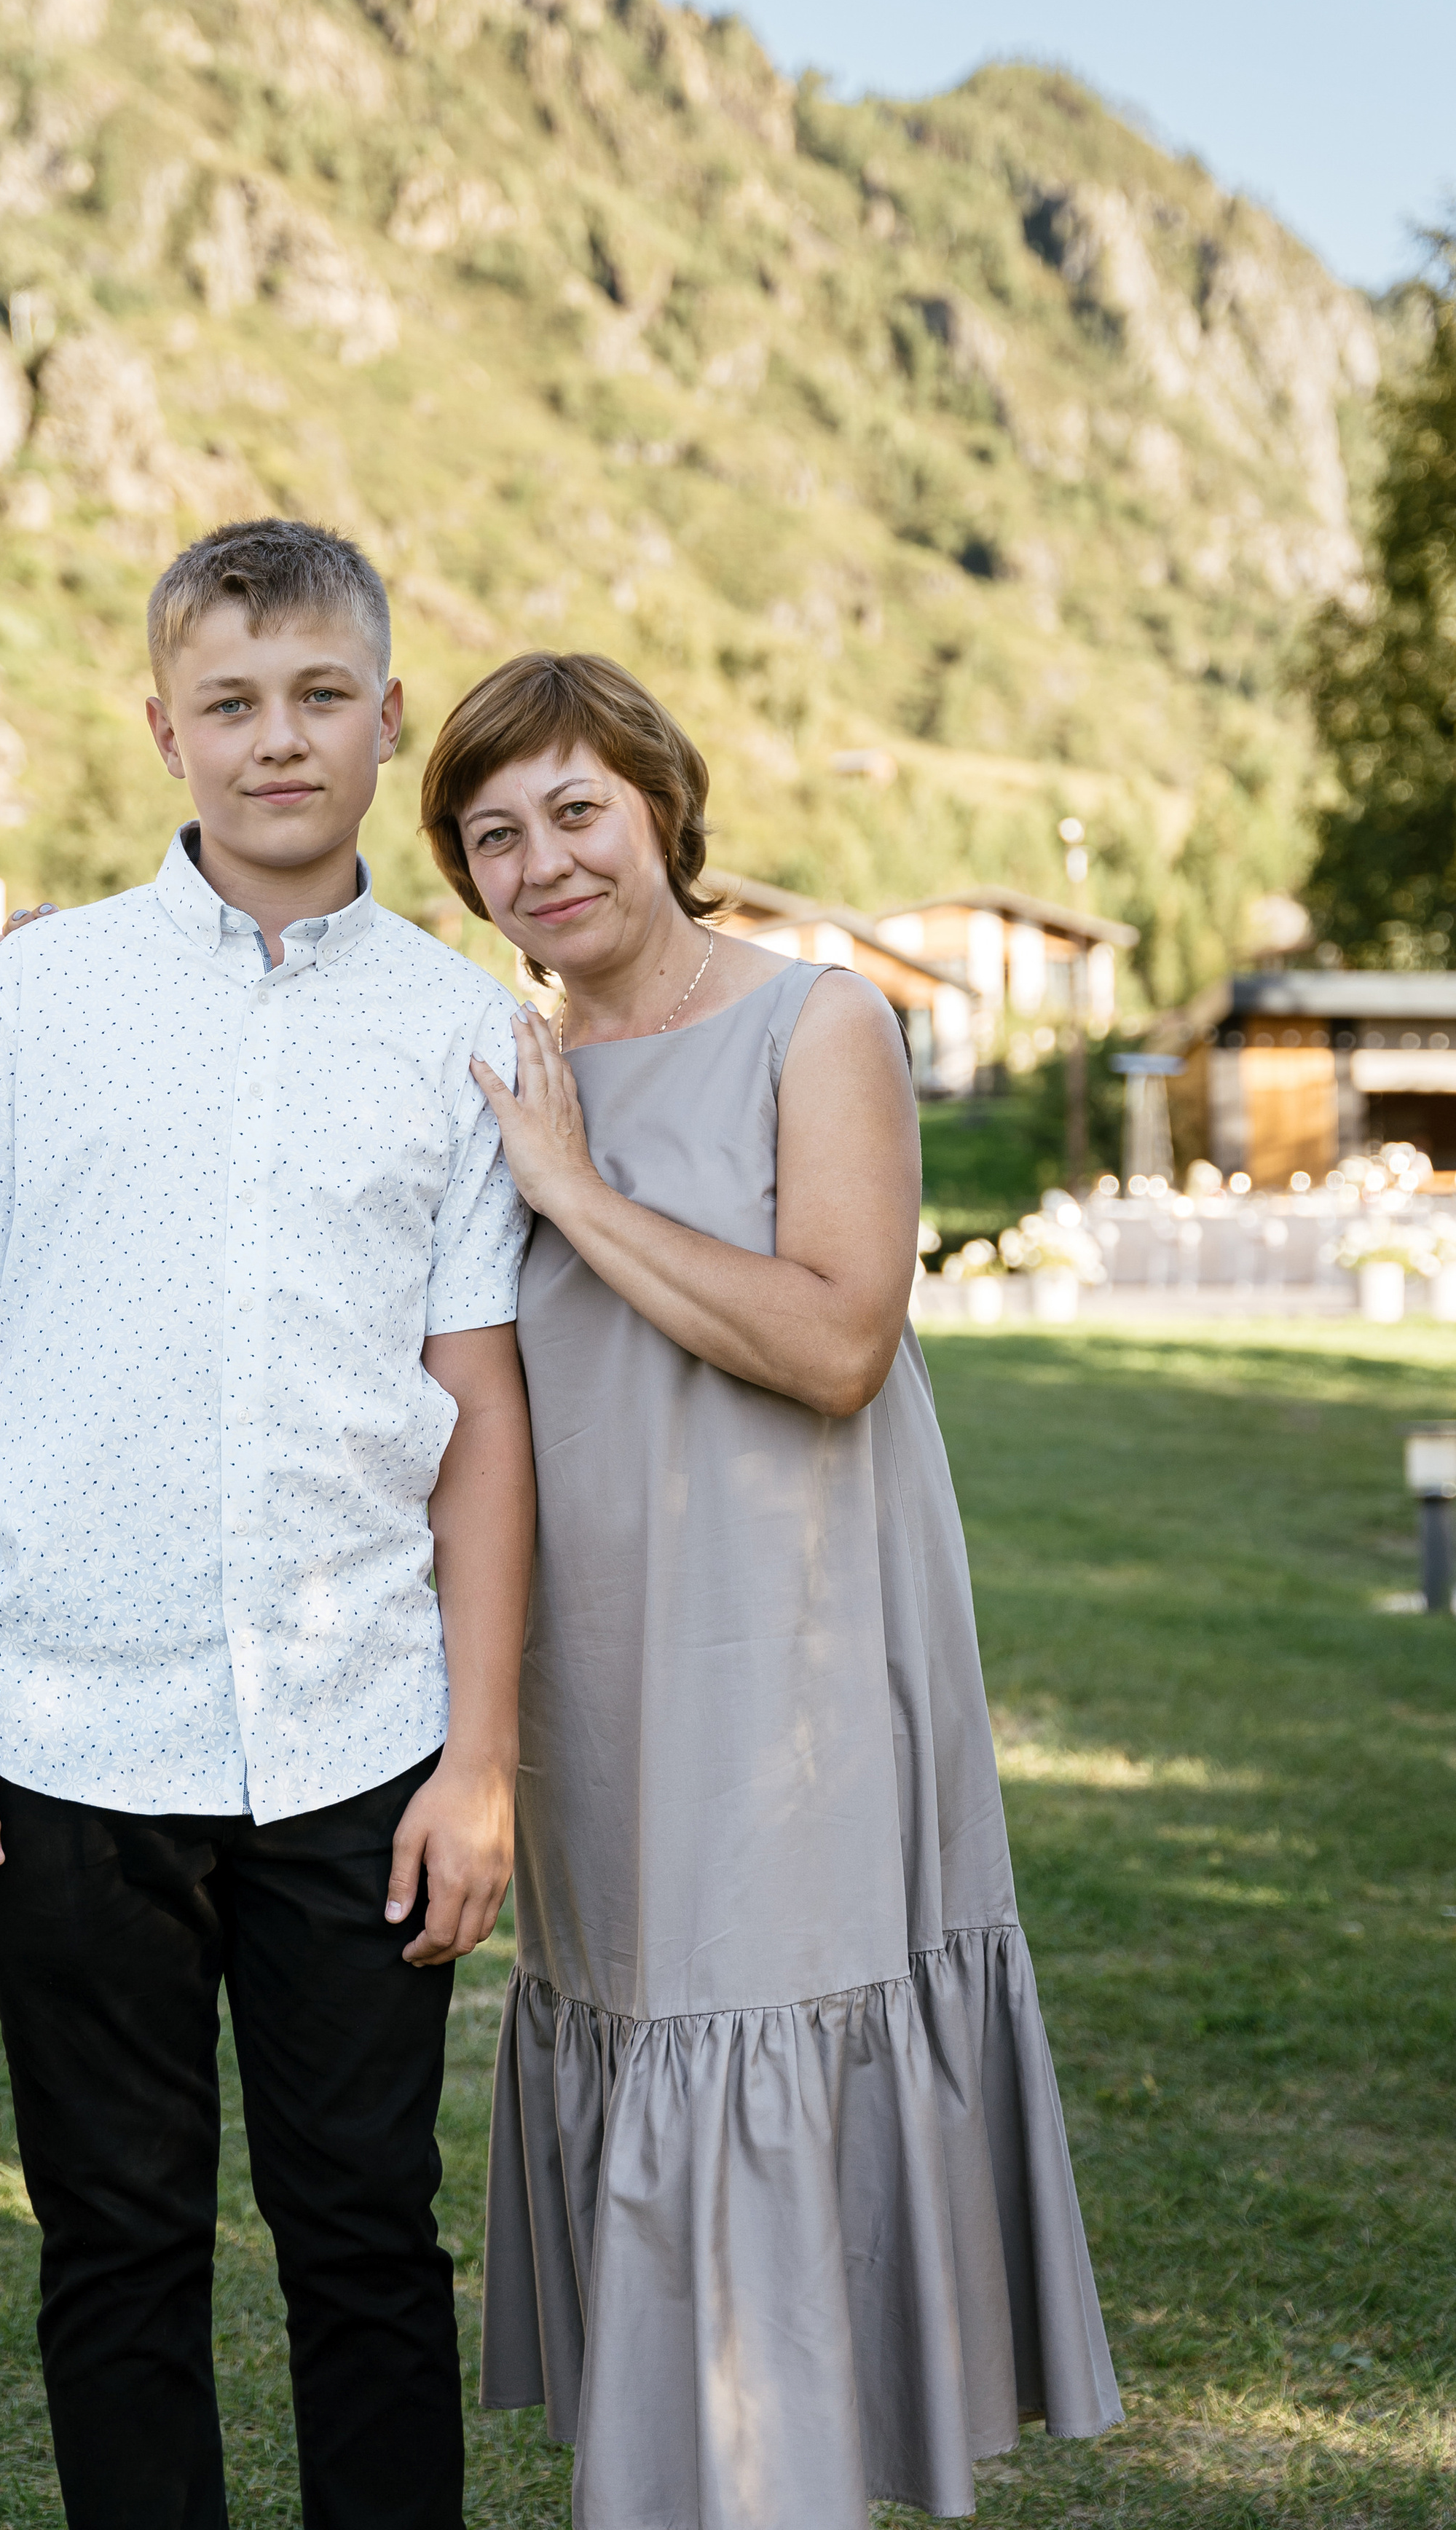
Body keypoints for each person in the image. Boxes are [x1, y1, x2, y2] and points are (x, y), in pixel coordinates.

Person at [0, 520, 535, 2530]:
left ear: (387, 716)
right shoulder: (40, 994)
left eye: (320, 696)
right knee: (118, 2244)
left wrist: (480, 1763)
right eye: (230, 703)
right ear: (166, 731)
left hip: (360, 1736)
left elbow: (484, 1420)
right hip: (65, 1731)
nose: (277, 739)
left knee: (369, 2243)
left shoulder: (464, 1028)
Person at [418, 650, 1122, 2530]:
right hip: (591, 1660)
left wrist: (574, 1193)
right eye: (495, 835)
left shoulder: (821, 1023)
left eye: (578, 809)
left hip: (798, 1641)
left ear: (662, 806)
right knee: (648, 2017)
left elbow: (836, 1344)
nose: (545, 862)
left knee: (767, 2013)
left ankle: (771, 2478)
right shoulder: (498, 1069)